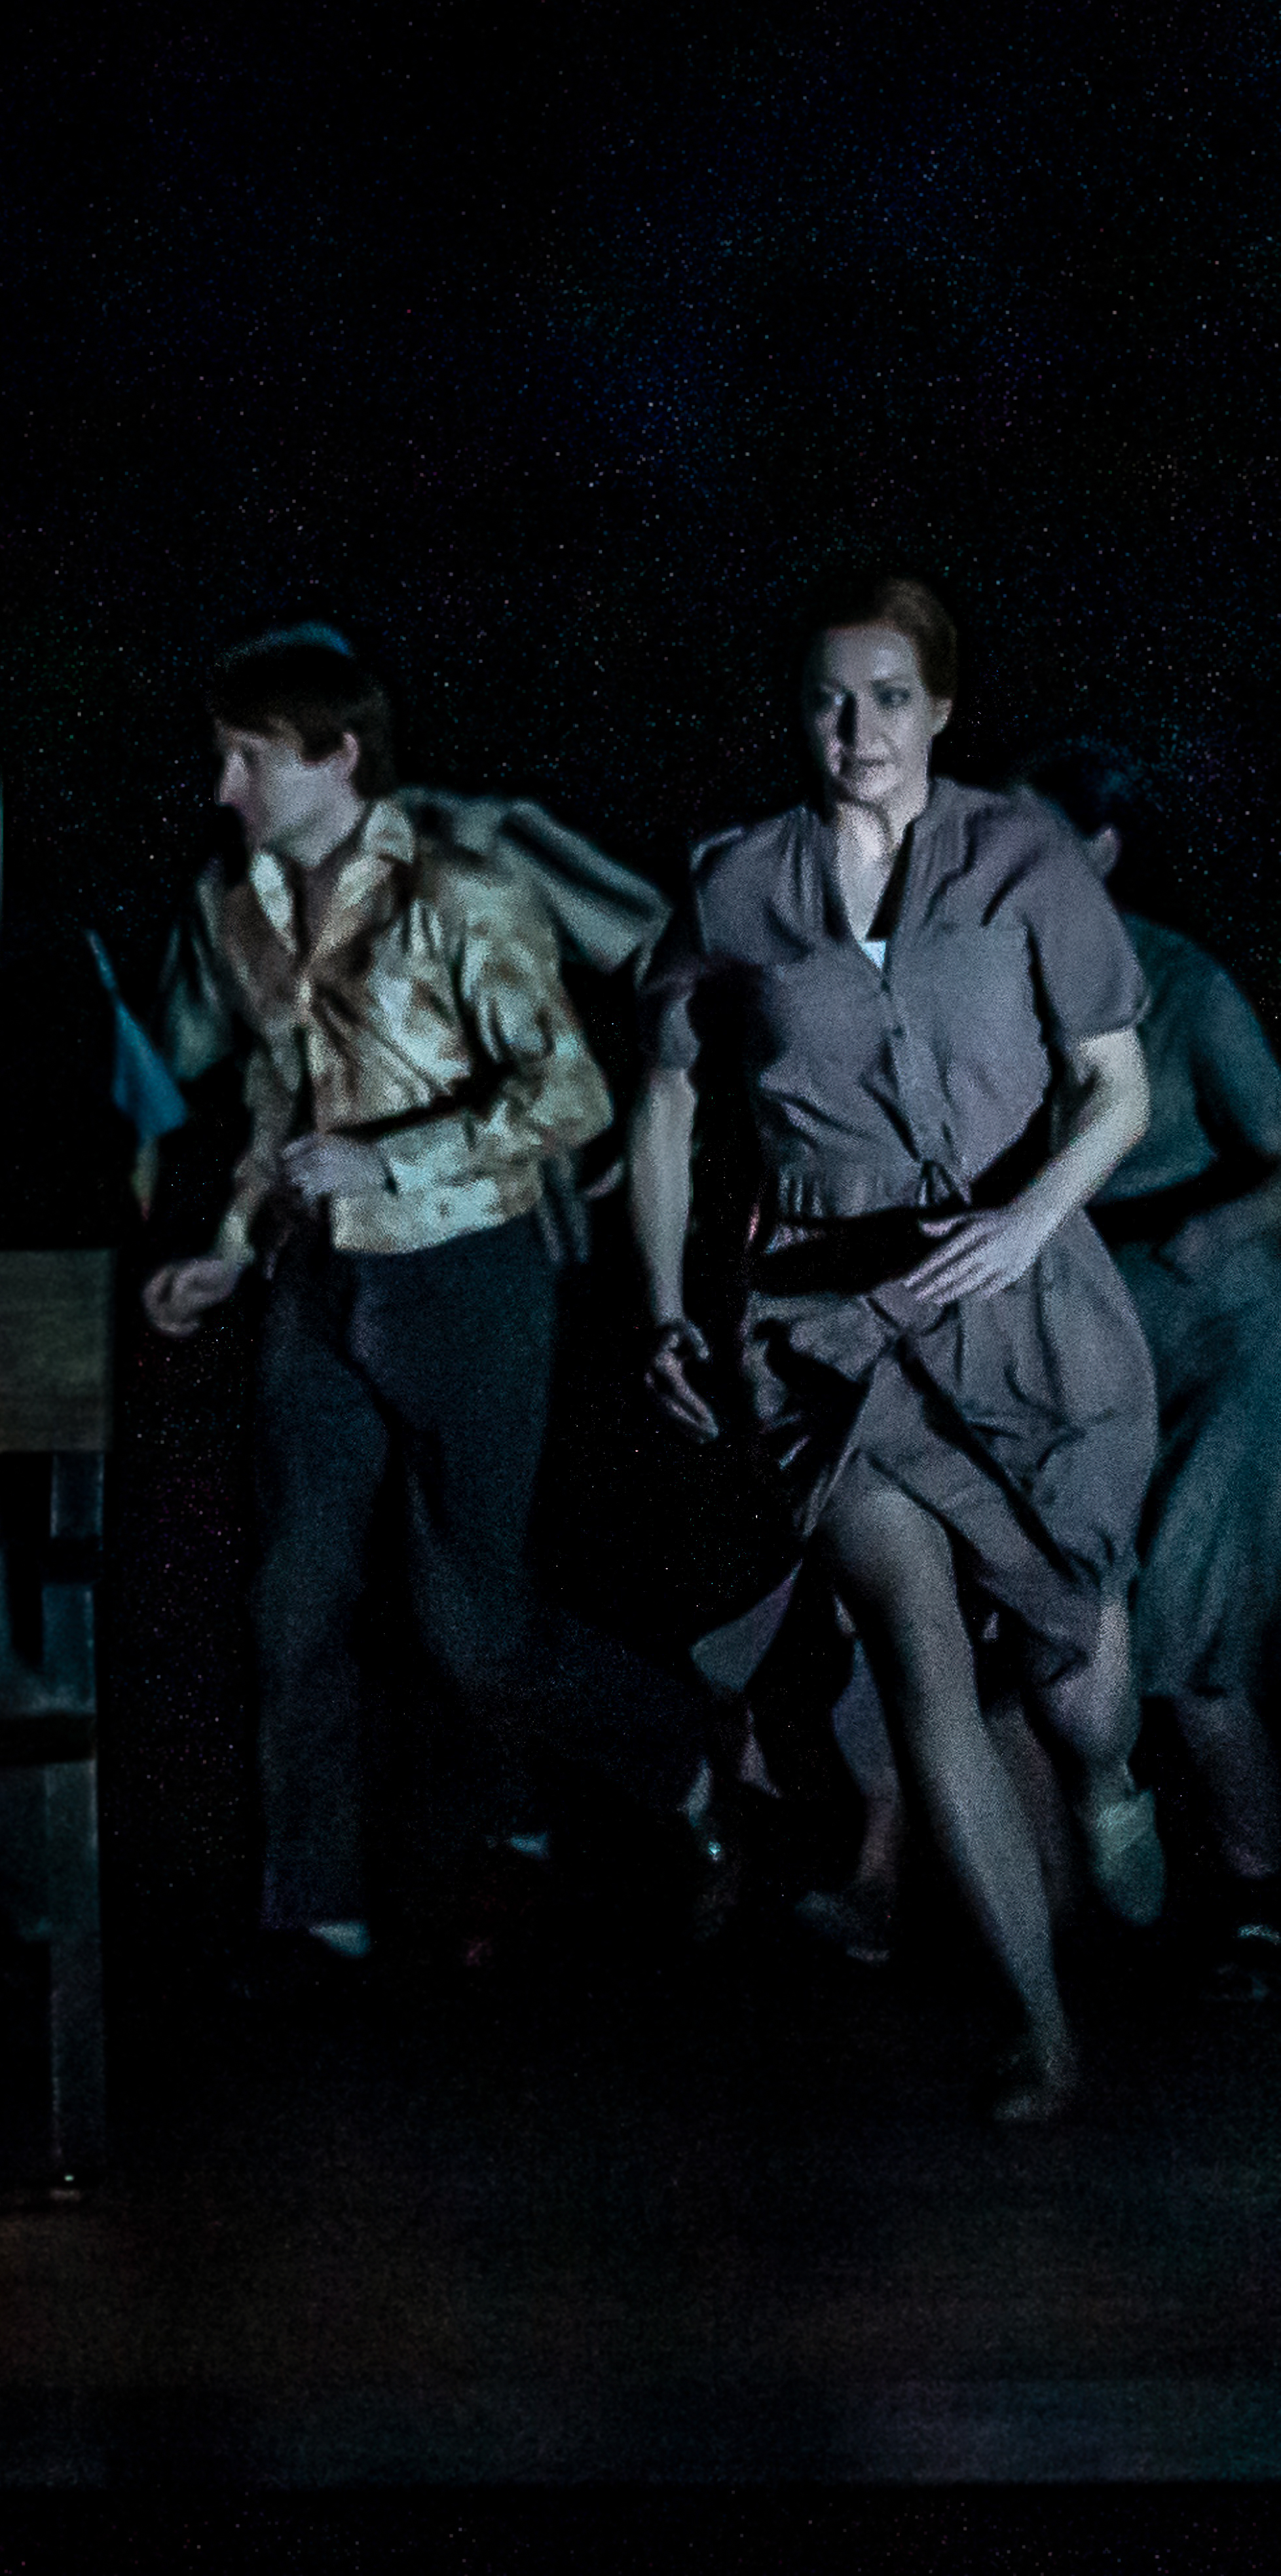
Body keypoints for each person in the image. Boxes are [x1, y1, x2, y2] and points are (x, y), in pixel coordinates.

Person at [629, 574, 1159, 2121]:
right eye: (825, 699)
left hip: (1024, 1302)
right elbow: (661, 1093)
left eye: (885, 697)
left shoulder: (1023, 856)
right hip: (826, 1325)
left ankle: (1112, 1781)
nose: (854, 728)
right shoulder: (740, 886)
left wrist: (1028, 1220)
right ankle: (1039, 2024)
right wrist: (667, 1301)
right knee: (917, 1649)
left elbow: (1112, 1086)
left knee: (1074, 1675)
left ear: (939, 707)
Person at [139, 630, 725, 1991]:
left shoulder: (461, 892)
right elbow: (280, 1102)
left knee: (474, 1617)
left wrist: (394, 1156)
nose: (224, 783)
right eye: (222, 753)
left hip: (466, 1266)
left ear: (337, 756)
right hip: (324, 1277)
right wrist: (233, 1244)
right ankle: (315, 1913)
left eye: (250, 755)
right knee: (299, 1591)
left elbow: (570, 1093)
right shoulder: (241, 910)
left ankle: (685, 1747)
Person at [1016, 740, 1281, 1994]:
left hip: (1215, 1330)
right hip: (1084, 1341)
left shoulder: (1181, 980)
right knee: (1065, 1613)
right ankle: (1056, 1910)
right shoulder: (1005, 978)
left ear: (1097, 848)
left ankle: (1257, 1902)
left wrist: (1214, 1228)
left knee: (1192, 1632)